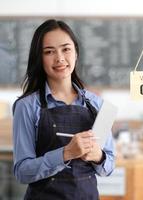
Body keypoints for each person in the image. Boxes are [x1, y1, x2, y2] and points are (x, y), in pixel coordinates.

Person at [12, 19, 115, 200]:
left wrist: (97, 156)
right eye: (49, 51)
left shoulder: (98, 105)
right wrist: (66, 153)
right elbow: (22, 172)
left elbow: (109, 166)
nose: (59, 58)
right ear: (39, 58)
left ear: (76, 53)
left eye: (66, 49)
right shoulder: (26, 107)